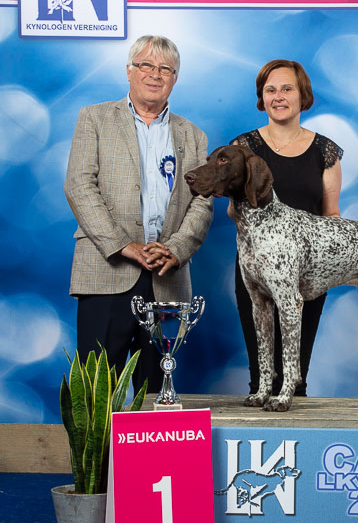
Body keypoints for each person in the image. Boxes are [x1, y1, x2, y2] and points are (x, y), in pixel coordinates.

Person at [64, 35, 213, 392]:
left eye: (165, 69)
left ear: (175, 78)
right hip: (106, 270)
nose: (155, 74)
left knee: (156, 389)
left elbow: (203, 201)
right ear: (129, 70)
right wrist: (123, 245)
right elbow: (79, 185)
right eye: (146, 65)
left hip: (167, 276)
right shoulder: (94, 118)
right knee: (98, 392)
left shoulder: (194, 136)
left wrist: (176, 249)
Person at [232, 59, 343, 397]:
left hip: (309, 270)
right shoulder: (242, 148)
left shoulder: (325, 151)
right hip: (255, 267)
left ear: (302, 95)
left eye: (286, 89)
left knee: (295, 381)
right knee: (261, 380)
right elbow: (234, 211)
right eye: (270, 90)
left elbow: (331, 215)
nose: (278, 96)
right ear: (262, 98)